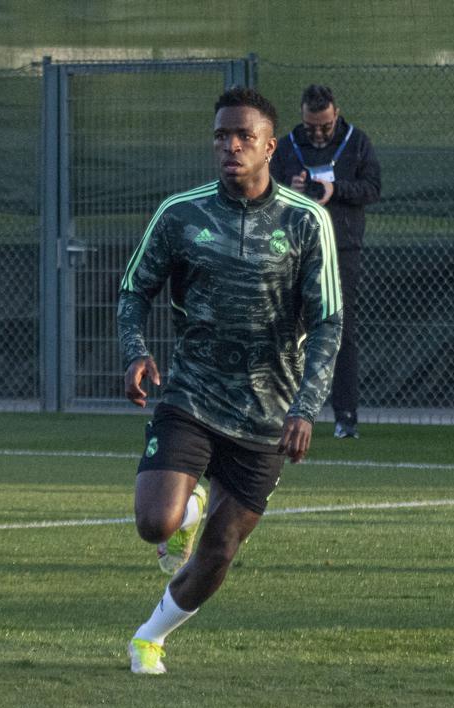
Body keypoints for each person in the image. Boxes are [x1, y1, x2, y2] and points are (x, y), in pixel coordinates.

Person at [117, 87, 342, 675]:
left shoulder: (305, 220)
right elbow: (135, 289)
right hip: (191, 392)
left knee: (219, 552)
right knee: (154, 522)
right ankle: (183, 509)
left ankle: (149, 638)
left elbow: (327, 321)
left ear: (271, 144)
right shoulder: (180, 214)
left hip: (268, 411)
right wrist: (136, 351)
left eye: (244, 135)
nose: (231, 144)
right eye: (222, 135)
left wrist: (305, 406)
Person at [271, 84, 381, 439]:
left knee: (340, 331)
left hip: (342, 249)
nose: (317, 133)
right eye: (311, 126)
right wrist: (293, 188)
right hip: (295, 247)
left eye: (325, 126)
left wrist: (337, 189)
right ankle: (282, 409)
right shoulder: (287, 145)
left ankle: (345, 415)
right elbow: (267, 187)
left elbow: (373, 187)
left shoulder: (357, 142)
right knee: (287, 329)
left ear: (336, 114)